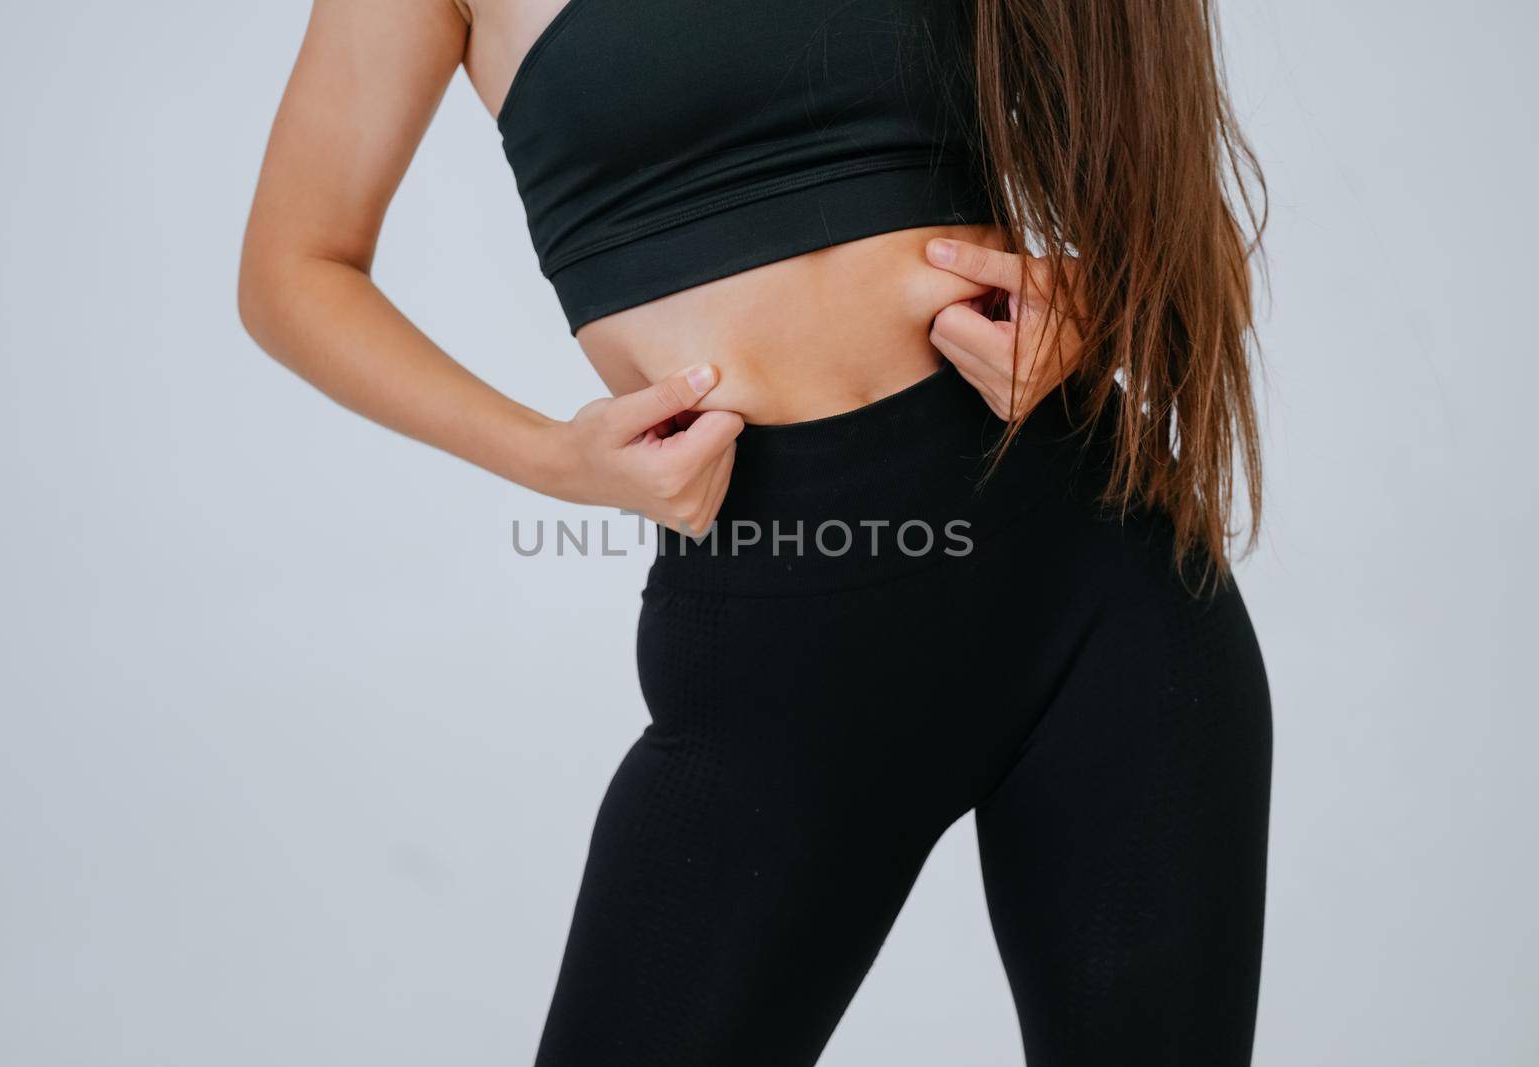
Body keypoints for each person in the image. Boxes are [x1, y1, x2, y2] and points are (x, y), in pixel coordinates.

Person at [238, 1, 1274, 1063]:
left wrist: (1095, 301)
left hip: (1097, 573)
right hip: (781, 637)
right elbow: (293, 268)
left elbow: (1156, 156)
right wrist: (555, 457)